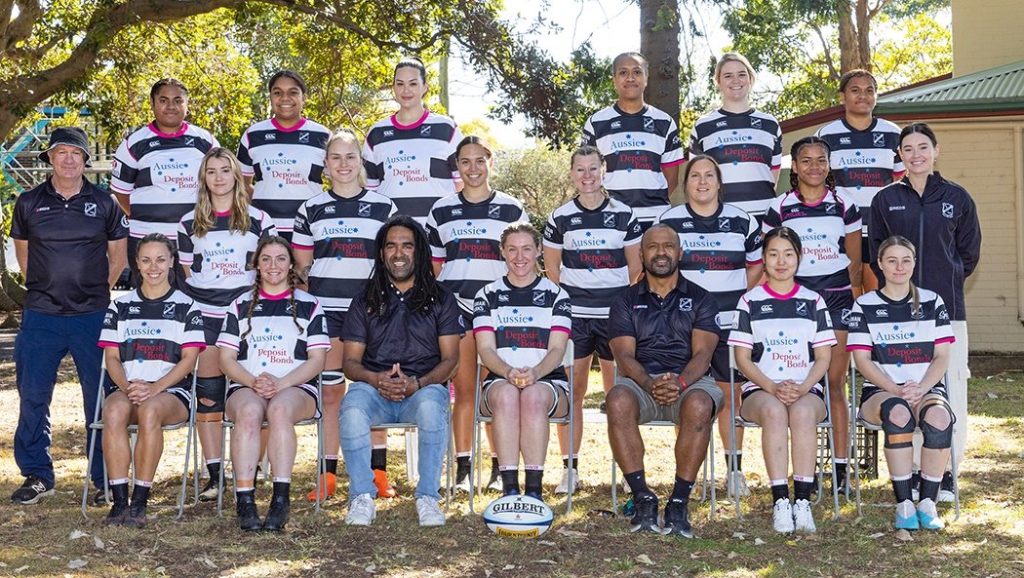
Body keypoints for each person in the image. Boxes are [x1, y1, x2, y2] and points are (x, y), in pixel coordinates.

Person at [10, 127, 128, 505]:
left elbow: (118, 257)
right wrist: (48, 288)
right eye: (61, 152)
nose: (69, 159)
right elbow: (25, 258)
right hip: (41, 315)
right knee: (33, 394)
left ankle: (104, 478)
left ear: (85, 160)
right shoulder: (28, 202)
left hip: (91, 316)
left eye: (76, 153)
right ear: (50, 158)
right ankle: (37, 474)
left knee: (99, 396)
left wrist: (93, 292)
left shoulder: (105, 203)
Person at [869, 123, 981, 501]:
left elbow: (968, 254)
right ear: (899, 155)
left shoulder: (957, 198)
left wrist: (945, 280)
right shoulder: (885, 200)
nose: (915, 155)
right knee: (910, 389)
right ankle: (916, 472)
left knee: (950, 389)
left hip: (947, 312)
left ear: (936, 151)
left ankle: (946, 473)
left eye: (923, 147)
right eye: (908, 148)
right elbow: (875, 253)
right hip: (898, 319)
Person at [292, 129, 397, 502]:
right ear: (325, 165)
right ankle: (328, 475)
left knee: (375, 390)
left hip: (372, 313)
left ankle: (378, 473)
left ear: (360, 161)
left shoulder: (384, 208)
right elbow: (302, 269)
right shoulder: (311, 209)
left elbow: (394, 263)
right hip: (328, 314)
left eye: (350, 156)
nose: (343, 164)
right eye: (335, 157)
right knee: (332, 393)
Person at [340, 215, 462, 527]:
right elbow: (350, 363)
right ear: (381, 253)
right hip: (374, 390)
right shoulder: (365, 297)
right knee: (352, 408)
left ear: (419, 251)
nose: (398, 253)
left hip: (422, 389)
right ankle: (362, 495)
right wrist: (375, 379)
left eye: (407, 246)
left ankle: (428, 496)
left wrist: (418, 383)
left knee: (433, 406)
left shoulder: (441, 297)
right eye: (391, 246)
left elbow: (451, 360)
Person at [605, 224, 723, 538]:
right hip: (640, 383)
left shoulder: (702, 298)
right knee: (617, 399)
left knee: (700, 405)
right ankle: (643, 498)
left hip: (690, 382)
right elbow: (623, 356)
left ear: (680, 252)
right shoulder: (624, 300)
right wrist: (649, 384)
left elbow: (704, 355)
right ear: (641, 254)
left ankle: (678, 503)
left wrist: (680, 384)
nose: (661, 253)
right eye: (653, 246)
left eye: (668, 246)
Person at [656, 154, 763, 498]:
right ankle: (688, 474)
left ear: (719, 183)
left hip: (729, 324)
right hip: (682, 326)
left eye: (708, 176)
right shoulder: (669, 221)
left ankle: (734, 470)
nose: (701, 182)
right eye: (694, 176)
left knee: (730, 395)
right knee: (685, 396)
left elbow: (756, 265)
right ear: (685, 184)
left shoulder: (742, 221)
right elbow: (659, 268)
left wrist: (734, 297)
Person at [425, 135, 528, 494]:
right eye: (465, 161)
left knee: (496, 390)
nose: (473, 168)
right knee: (466, 390)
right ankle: (464, 469)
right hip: (458, 311)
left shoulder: (511, 208)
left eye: (479, 160)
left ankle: (500, 468)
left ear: (490, 163)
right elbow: (434, 267)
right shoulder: (441, 210)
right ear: (457, 166)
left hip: (501, 312)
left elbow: (522, 259)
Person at [762, 136, 862, 492]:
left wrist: (850, 297)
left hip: (836, 302)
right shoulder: (779, 206)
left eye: (822, 159)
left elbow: (855, 262)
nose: (814, 166)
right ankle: (803, 469)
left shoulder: (845, 204)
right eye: (806, 160)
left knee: (833, 383)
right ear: (795, 166)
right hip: (796, 306)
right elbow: (772, 259)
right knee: (802, 386)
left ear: (829, 165)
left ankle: (840, 469)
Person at [178, 147, 277, 502]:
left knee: (256, 390)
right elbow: (189, 274)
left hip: (246, 316)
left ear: (236, 176)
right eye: (211, 171)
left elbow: (269, 269)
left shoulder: (259, 219)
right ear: (203, 178)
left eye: (225, 170)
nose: (218, 178)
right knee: (209, 395)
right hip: (206, 315)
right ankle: (215, 474)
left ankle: (252, 468)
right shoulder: (188, 222)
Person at [543, 145, 642, 494]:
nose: (587, 176)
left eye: (593, 168)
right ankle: (570, 469)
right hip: (577, 318)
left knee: (619, 394)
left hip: (615, 318)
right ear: (572, 174)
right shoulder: (560, 217)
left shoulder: (624, 214)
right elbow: (552, 271)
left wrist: (622, 310)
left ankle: (627, 470)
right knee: (575, 391)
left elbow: (635, 269)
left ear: (604, 170)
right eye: (580, 169)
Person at [728, 226, 836, 533]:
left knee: (802, 413)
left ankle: (802, 501)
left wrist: (803, 387)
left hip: (806, 388)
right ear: (763, 259)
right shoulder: (749, 302)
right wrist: (772, 387)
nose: (781, 261)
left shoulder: (814, 301)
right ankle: (780, 502)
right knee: (775, 412)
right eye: (773, 254)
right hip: (761, 389)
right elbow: (742, 359)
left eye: (788, 254)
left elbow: (823, 357)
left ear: (799, 258)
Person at [217, 236, 329, 531]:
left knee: (279, 410)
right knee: (249, 412)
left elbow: (317, 360)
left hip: (295, 387)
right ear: (256, 265)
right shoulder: (239, 305)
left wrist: (281, 383)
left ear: (291, 264)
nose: (273, 265)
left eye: (281, 258)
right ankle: (245, 500)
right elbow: (226, 359)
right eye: (265, 259)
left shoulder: (310, 305)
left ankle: (280, 501)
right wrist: (253, 381)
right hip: (246, 385)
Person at [98, 233, 205, 527]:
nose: (153, 267)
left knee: (149, 410)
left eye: (160, 259)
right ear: (136, 263)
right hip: (128, 388)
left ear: (171, 262)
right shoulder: (120, 306)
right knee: (112, 411)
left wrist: (155, 388)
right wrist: (128, 387)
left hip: (171, 393)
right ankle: (119, 501)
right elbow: (112, 358)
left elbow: (189, 359)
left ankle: (139, 502)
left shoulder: (187, 306)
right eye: (146, 260)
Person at [848, 236, 955, 530]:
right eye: (892, 261)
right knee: (898, 412)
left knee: (939, 417)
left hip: (925, 388)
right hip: (881, 392)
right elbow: (862, 360)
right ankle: (904, 503)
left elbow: (942, 356)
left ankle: (928, 502)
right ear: (880, 264)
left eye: (906, 260)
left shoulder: (932, 301)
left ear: (914, 263)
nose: (899, 267)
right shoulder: (864, 305)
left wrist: (922, 388)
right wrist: (895, 389)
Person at [473, 223, 572, 502]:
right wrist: (507, 371)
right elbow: (485, 349)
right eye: (512, 249)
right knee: (507, 395)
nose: (520, 257)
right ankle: (510, 490)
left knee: (532, 396)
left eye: (527, 249)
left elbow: (557, 349)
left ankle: (533, 491)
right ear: (502, 252)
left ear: (539, 250)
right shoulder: (486, 295)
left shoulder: (557, 295)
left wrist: (535, 373)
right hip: (499, 380)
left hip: (548, 381)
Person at [110, 78, 219, 289]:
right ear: (152, 103)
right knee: (153, 300)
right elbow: (120, 192)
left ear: (187, 105)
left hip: (196, 239)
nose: (171, 106)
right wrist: (146, 216)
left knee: (196, 298)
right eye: (163, 100)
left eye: (178, 100)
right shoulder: (134, 144)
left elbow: (221, 185)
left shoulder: (205, 141)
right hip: (147, 240)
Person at [815, 69, 904, 295]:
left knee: (878, 298)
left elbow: (900, 182)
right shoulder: (826, 135)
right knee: (848, 298)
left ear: (876, 96)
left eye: (869, 90)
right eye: (855, 90)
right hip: (842, 230)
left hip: (880, 229)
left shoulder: (893, 134)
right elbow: (818, 184)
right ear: (842, 97)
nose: (863, 95)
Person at [582, 51, 684, 228]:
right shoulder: (596, 123)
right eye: (623, 72)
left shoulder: (664, 122)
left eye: (637, 72)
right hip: (610, 219)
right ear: (614, 80)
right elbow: (587, 173)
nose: (630, 78)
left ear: (646, 78)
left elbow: (672, 178)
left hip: (656, 220)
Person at [363, 57, 463, 226]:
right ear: (393, 88)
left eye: (413, 83)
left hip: (437, 233)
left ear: (425, 87)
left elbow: (463, 185)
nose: (406, 90)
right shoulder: (376, 133)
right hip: (392, 234)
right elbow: (369, 191)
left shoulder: (447, 129)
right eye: (400, 84)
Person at [236, 70, 331, 242]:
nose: (285, 98)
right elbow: (242, 185)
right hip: (264, 231)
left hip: (311, 229)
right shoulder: (252, 135)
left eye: (293, 92)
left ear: (304, 98)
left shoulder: (323, 136)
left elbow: (340, 182)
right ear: (271, 97)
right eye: (277, 93)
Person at [689, 52, 782, 223]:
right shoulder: (703, 126)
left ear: (750, 78)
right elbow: (695, 180)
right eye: (728, 76)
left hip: (765, 220)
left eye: (741, 74)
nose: (736, 81)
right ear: (718, 82)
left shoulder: (770, 124)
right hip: (720, 220)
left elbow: (773, 176)